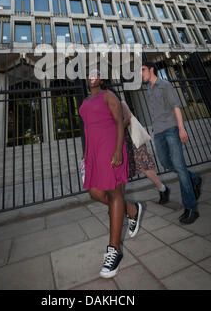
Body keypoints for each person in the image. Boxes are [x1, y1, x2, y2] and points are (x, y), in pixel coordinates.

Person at [79, 70, 143, 279]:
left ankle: (113, 250)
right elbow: (89, 128)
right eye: (89, 73)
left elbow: (119, 122)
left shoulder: (108, 95)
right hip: (93, 152)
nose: (92, 76)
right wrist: (86, 155)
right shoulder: (86, 99)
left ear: (102, 79)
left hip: (110, 148)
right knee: (95, 193)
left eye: (96, 73)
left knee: (115, 194)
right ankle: (132, 210)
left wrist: (117, 150)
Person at [141, 62, 202, 225]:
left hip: (171, 130)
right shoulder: (149, 88)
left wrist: (181, 129)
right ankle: (194, 179)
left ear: (151, 69)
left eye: (142, 70)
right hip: (158, 132)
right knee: (165, 162)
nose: (141, 74)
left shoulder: (165, 85)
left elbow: (176, 107)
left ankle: (191, 209)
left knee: (179, 166)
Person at [119, 96, 170, 204]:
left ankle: (163, 189)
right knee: (120, 170)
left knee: (144, 166)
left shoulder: (121, 103)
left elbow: (128, 118)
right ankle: (118, 202)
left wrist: (116, 129)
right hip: (120, 142)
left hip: (132, 140)